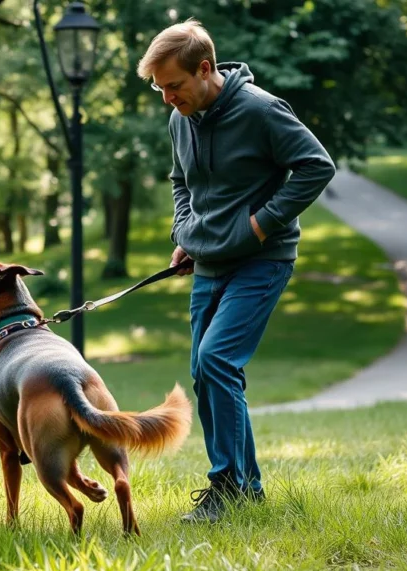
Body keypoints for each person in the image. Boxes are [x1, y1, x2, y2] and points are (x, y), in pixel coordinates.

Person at [136, 18, 336, 523]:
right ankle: (247, 491)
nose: (167, 99)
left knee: (218, 360)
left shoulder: (261, 110)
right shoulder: (180, 119)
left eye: (174, 86)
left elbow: (316, 165)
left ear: (205, 69)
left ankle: (227, 486)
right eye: (161, 89)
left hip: (261, 261)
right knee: (207, 372)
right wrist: (186, 235)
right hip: (208, 263)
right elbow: (181, 182)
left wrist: (263, 224)